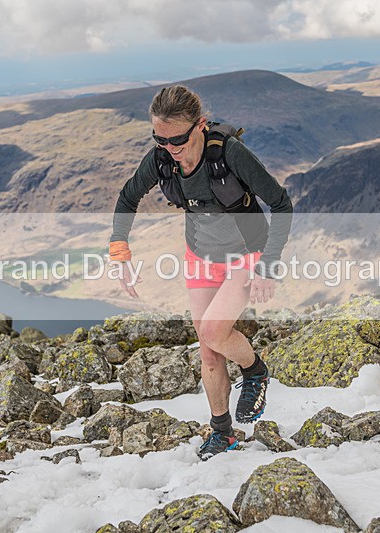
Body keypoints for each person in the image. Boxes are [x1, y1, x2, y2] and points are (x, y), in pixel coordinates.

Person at [108, 85, 293, 460]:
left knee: (212, 330)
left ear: (200, 125)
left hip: (246, 252)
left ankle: (254, 369)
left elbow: (281, 203)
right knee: (209, 353)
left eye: (177, 139)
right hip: (200, 255)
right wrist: (119, 251)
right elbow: (128, 196)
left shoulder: (229, 154)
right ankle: (222, 432)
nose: (170, 147)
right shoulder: (161, 158)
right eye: (160, 138)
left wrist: (268, 265)